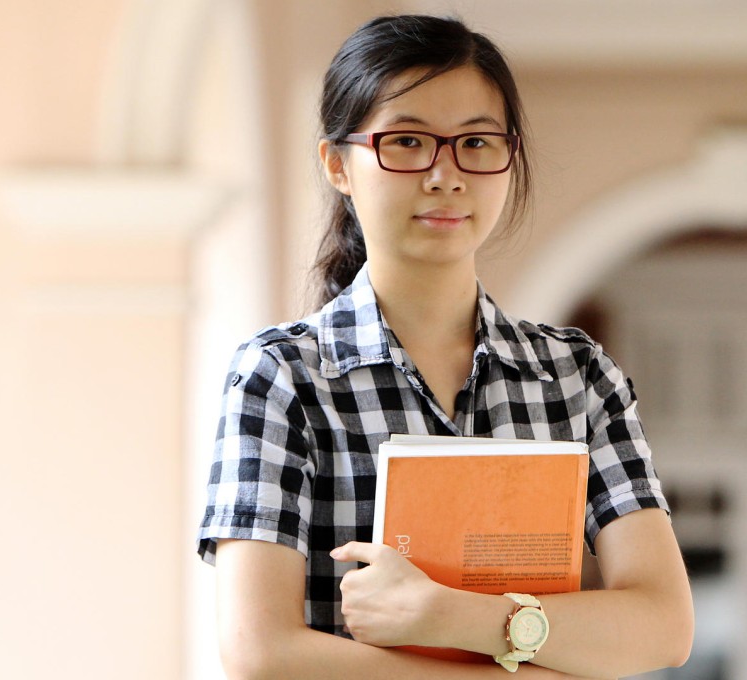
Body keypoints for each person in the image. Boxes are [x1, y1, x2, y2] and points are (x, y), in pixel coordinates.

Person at [198, 14, 693, 680]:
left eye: (477, 144)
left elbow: (663, 626)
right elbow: (260, 652)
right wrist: (538, 654)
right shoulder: (282, 377)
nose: (444, 175)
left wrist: (446, 616)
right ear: (338, 164)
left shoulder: (576, 376)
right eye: (406, 142)